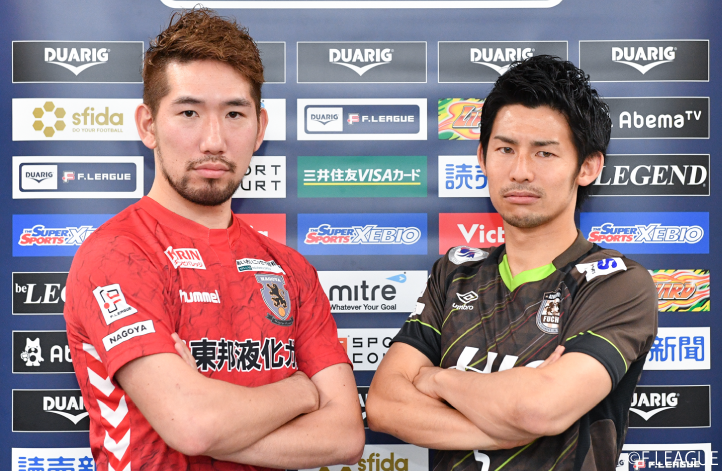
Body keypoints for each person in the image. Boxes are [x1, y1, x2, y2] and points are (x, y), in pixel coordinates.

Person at [64, 9, 365, 471]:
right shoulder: (117, 254)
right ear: (148, 125)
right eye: (189, 113)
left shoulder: (289, 268)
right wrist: (300, 391)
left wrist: (210, 415)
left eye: (234, 114)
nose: (213, 141)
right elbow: (193, 425)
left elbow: (344, 435)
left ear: (260, 128)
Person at [366, 55, 658, 470]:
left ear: (587, 166)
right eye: (505, 149)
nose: (520, 171)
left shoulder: (617, 283)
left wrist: (438, 379)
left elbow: (539, 410)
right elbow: (384, 405)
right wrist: (509, 424)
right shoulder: (454, 273)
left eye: (544, 153)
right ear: (482, 158)